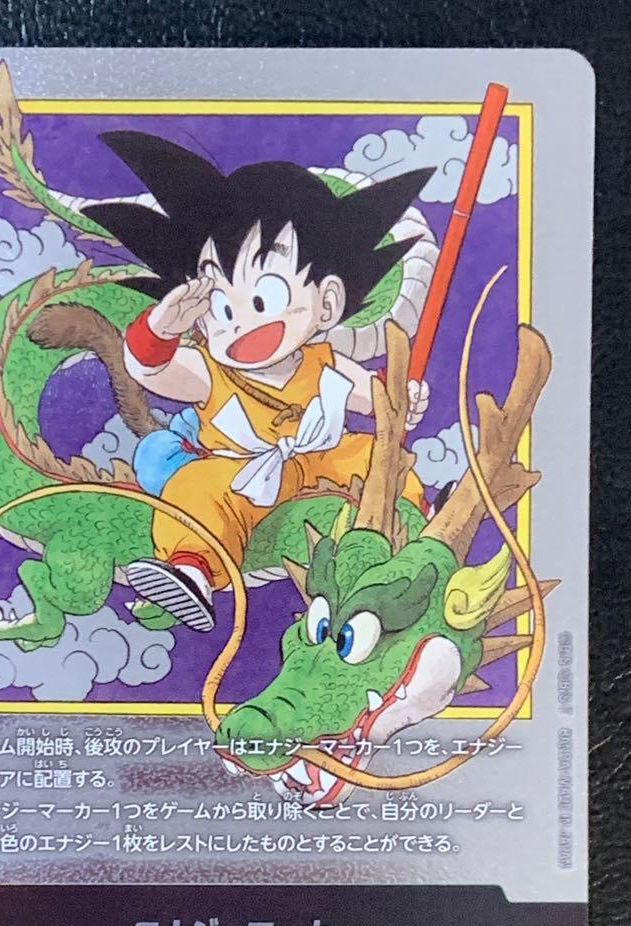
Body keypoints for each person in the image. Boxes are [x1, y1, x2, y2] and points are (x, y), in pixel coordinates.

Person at [85, 132, 434, 631]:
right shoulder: (210, 370)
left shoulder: (325, 362)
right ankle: (192, 571)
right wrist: (161, 328)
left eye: (263, 299)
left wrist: (403, 401)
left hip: (320, 461)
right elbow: (150, 369)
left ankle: (418, 525)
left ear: (327, 304)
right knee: (196, 486)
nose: (240, 324)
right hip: (239, 473)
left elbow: (377, 400)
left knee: (377, 456)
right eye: (221, 309)